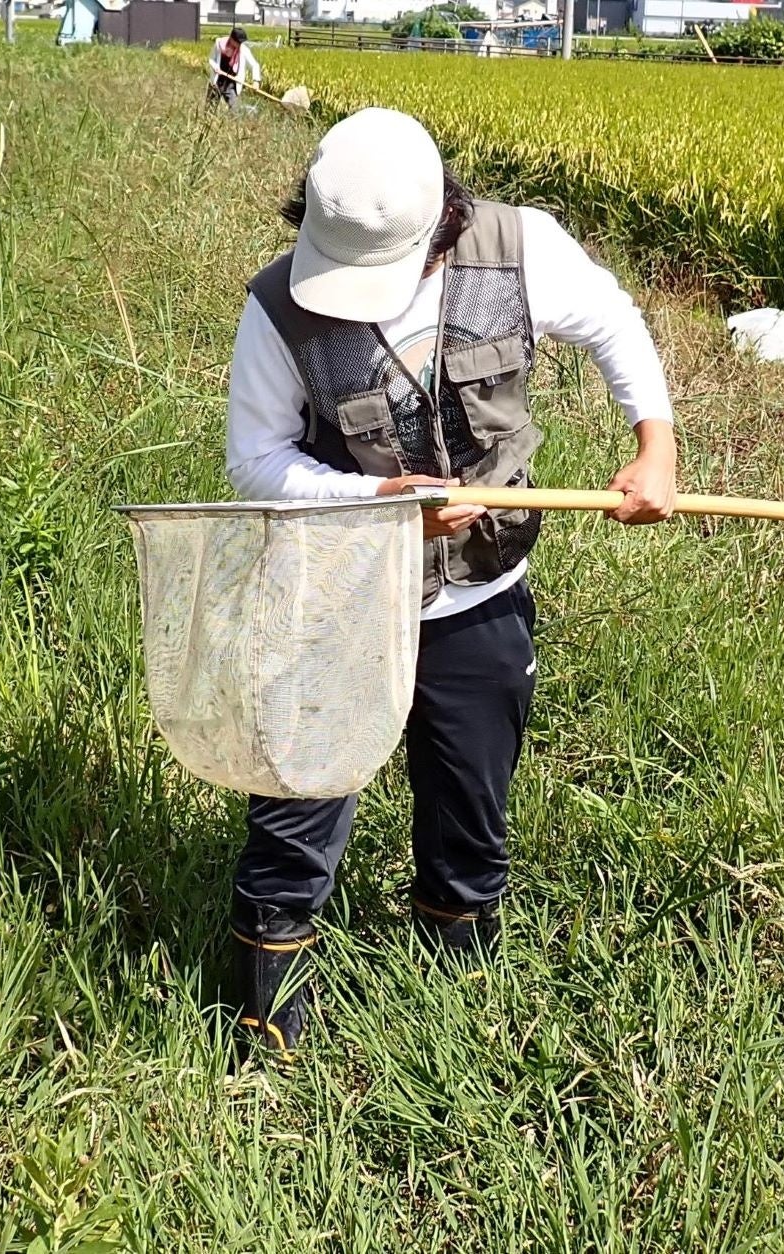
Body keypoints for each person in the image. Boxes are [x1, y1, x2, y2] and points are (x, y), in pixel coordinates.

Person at [225, 108, 678, 1057]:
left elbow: (613, 323)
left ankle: (456, 1013)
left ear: (440, 226)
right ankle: (269, 1031)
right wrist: (376, 501)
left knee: (470, 804)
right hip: (336, 594)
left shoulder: (521, 250)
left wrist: (654, 446)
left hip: (480, 591)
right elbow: (255, 462)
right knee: (297, 806)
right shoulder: (276, 305)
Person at [207, 26, 261, 111]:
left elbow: (255, 65)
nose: (239, 44)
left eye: (241, 42)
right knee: (209, 109)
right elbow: (211, 59)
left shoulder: (243, 49)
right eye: (238, 42)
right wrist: (215, 67)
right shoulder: (219, 43)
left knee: (235, 110)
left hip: (231, 84)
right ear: (232, 39)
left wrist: (256, 81)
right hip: (217, 81)